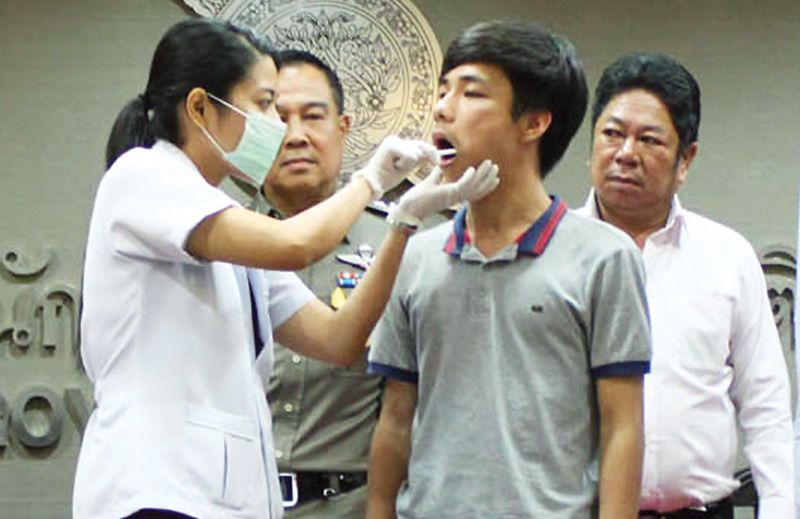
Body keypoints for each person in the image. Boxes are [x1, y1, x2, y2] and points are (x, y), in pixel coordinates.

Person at [74, 18, 498, 519]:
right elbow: (296, 244)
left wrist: (402, 223)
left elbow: (337, 340)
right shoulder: (144, 174)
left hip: (222, 500)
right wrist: (371, 180)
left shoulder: (228, 226)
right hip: (154, 492)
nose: (276, 125)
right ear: (200, 107)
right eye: (262, 104)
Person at [366, 20, 652, 519]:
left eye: (470, 92)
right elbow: (395, 416)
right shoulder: (415, 254)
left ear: (533, 123)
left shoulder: (605, 257)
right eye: (442, 90)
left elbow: (622, 426)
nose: (442, 108)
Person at [576, 52, 794, 518]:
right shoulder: (554, 253)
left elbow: (765, 404)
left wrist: (779, 509)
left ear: (685, 159)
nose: (626, 153)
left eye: (649, 139)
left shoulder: (726, 256)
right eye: (612, 134)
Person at [253, 49, 421, 517]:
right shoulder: (222, 243)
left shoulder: (399, 241)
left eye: (313, 116)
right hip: (236, 501)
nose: (296, 135)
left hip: (354, 504)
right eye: (279, 117)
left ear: (344, 128)